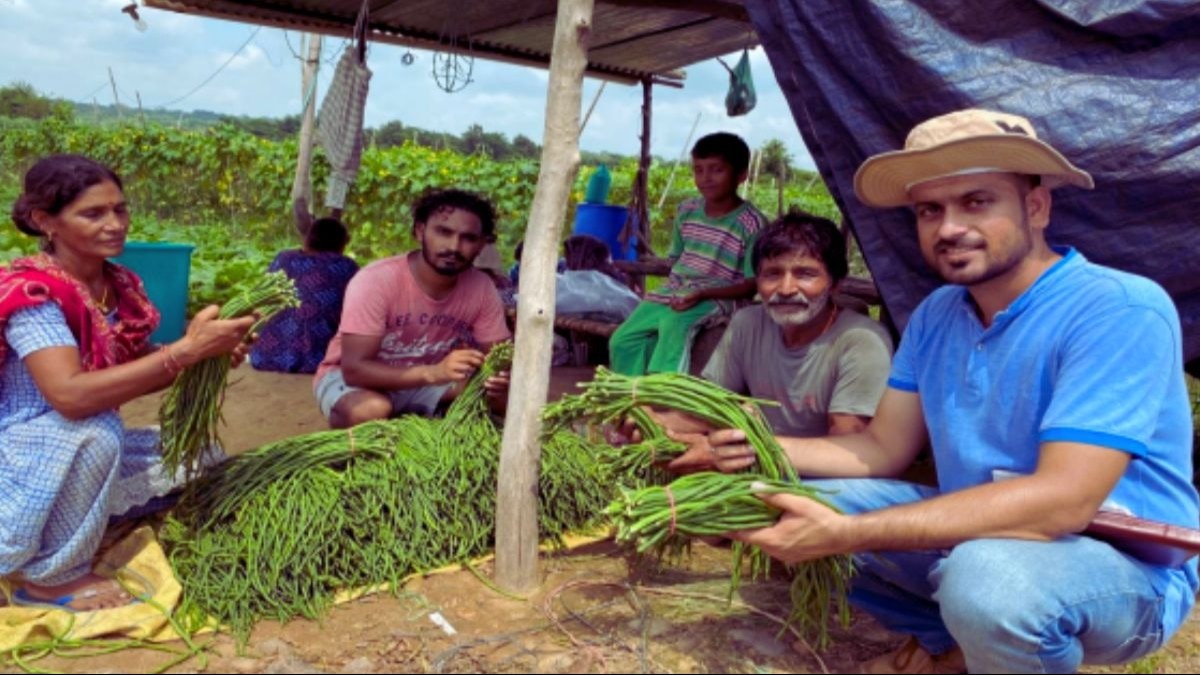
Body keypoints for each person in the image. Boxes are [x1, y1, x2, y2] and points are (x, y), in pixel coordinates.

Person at [676, 109, 1199, 673]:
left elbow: (1063, 501)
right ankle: (945, 646)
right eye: (931, 209)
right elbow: (880, 449)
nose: (949, 227)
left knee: (989, 582)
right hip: (980, 534)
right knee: (783, 499)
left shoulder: (1117, 309)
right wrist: (754, 448)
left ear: (1037, 207)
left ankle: (989, 641)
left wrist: (847, 534)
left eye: (977, 201)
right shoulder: (937, 314)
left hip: (1120, 569)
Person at [0, 155, 256, 611]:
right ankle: (47, 580)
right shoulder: (33, 294)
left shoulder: (115, 285)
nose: (115, 224)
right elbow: (70, 396)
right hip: (23, 446)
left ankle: (72, 523)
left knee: (198, 452)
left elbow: (131, 366)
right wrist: (185, 352)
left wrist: (203, 352)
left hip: (75, 446)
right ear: (45, 221)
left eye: (119, 209)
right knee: (96, 434)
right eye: (93, 213)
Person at [669, 212, 892, 455]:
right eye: (772, 274)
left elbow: (847, 450)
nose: (786, 289)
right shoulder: (748, 323)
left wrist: (749, 445)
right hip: (754, 463)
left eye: (805, 274)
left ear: (835, 283)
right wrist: (651, 420)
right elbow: (707, 407)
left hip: (823, 482)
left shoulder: (861, 341)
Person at [314, 188, 512, 429]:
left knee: (505, 400)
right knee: (371, 410)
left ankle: (417, 422)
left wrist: (496, 378)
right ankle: (350, 438)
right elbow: (354, 370)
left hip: (427, 381)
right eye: (443, 232)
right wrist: (434, 373)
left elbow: (499, 358)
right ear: (420, 231)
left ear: (481, 244)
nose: (454, 246)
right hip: (353, 381)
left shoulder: (482, 288)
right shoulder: (375, 280)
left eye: (469, 238)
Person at [608, 132, 768, 375]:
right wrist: (679, 289)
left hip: (718, 296)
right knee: (622, 340)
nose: (706, 178)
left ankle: (664, 397)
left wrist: (702, 292)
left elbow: (751, 285)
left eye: (716, 170)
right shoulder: (687, 210)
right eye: (698, 170)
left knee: (674, 326)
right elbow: (676, 259)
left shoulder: (752, 223)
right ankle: (628, 398)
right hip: (676, 290)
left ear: (741, 175)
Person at [249, 217, 359, 374]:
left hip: (266, 357)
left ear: (308, 239)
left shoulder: (283, 259)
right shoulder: (345, 266)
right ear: (342, 244)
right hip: (319, 360)